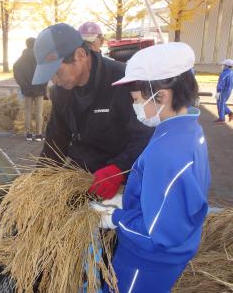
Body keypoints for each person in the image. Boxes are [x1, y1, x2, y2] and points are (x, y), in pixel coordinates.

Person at [90, 42, 210, 293]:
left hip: (145, 261)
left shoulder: (167, 153)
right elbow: (173, 198)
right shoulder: (186, 130)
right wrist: (128, 200)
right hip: (175, 248)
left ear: (162, 96)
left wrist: (114, 218)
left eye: (137, 100)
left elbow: (157, 235)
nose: (135, 108)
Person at [32, 23, 153, 200]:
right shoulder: (60, 91)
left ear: (80, 55)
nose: (55, 81)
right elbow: (56, 138)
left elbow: (146, 133)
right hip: (82, 174)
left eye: (57, 72)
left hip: (122, 176)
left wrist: (119, 169)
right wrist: (38, 181)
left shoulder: (125, 80)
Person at [13, 37, 47, 141]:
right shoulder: (40, 58)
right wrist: (43, 85)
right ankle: (39, 134)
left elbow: (16, 71)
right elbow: (46, 73)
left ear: (26, 44)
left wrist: (23, 84)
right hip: (39, 89)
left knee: (28, 111)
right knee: (39, 112)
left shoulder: (21, 59)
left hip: (27, 89)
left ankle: (28, 134)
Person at [214, 58, 233, 124]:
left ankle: (222, 118)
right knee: (222, 103)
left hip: (223, 91)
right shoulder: (231, 73)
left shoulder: (224, 74)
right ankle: (230, 113)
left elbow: (221, 83)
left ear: (227, 66)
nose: (223, 66)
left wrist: (218, 90)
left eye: (224, 65)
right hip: (229, 90)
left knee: (220, 104)